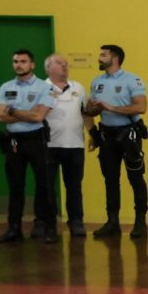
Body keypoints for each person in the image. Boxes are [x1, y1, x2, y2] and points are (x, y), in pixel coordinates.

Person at [0, 46, 54, 244]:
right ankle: (14, 228)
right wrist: (25, 113)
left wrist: (14, 111)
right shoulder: (6, 87)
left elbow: (38, 116)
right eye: (16, 62)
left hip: (36, 139)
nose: (18, 65)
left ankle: (47, 226)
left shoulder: (44, 87)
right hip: (14, 141)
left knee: (44, 184)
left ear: (32, 64)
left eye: (23, 61)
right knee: (15, 186)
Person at [88, 44, 148, 239]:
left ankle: (140, 222)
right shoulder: (97, 82)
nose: (99, 58)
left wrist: (111, 107)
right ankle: (112, 222)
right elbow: (93, 111)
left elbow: (141, 107)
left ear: (114, 58)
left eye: (103, 55)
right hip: (107, 135)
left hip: (128, 135)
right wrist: (92, 111)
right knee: (110, 179)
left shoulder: (132, 80)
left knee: (135, 178)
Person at [40, 54, 90, 237]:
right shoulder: (41, 88)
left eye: (66, 63)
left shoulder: (79, 87)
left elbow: (85, 113)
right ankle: (50, 224)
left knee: (74, 186)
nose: (65, 66)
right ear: (49, 68)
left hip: (75, 145)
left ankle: (76, 221)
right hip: (49, 145)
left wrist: (92, 133)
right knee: (48, 187)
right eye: (60, 63)